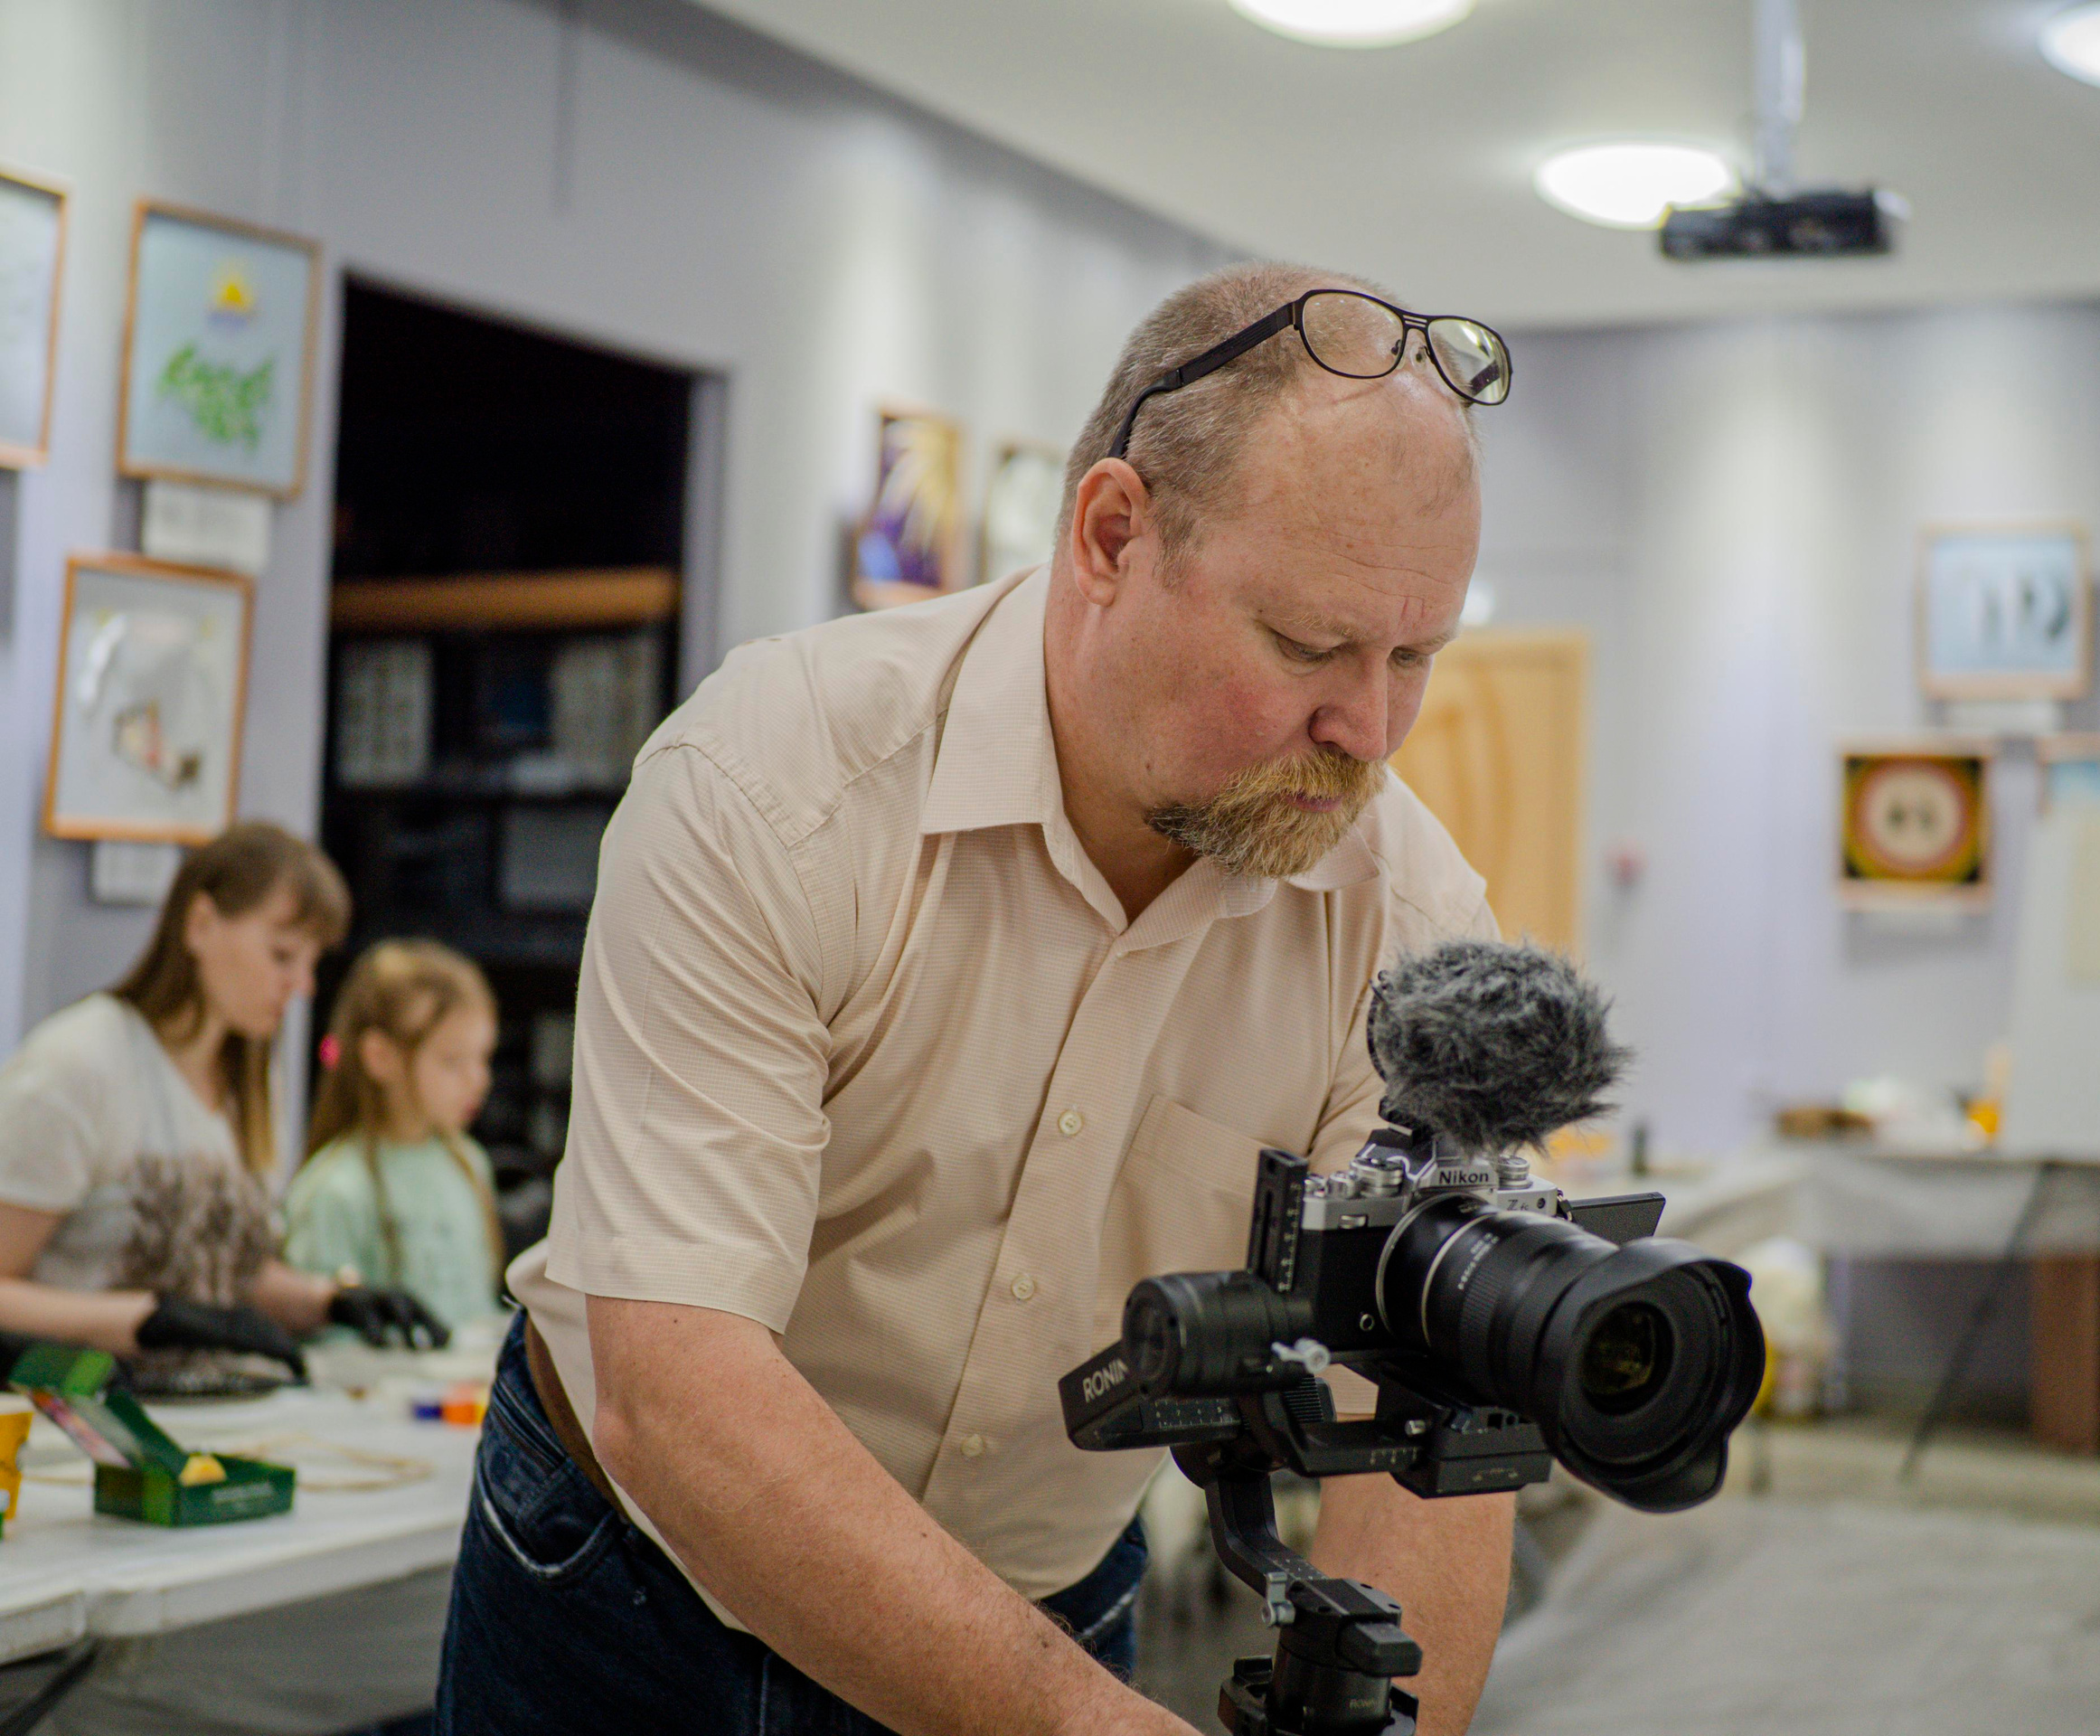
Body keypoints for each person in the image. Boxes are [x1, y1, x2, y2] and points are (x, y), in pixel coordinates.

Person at [438, 263, 1518, 1736]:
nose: (1366, 730)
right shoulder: (779, 780)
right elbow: (678, 1384)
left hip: (1038, 1590)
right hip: (629, 1582)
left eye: (1416, 659)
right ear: (1113, 535)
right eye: (1308, 645)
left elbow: (1430, 1423)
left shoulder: (1419, 929)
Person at [0, 823, 447, 1386]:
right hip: (95, 1417)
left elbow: (222, 1273)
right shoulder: (79, 1063)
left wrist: (328, 1300)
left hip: (219, 1406)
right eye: (282, 955)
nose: (302, 986)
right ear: (200, 923)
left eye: (312, 964)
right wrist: (145, 1319)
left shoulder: (251, 1079)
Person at [287, 939, 507, 1332]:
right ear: (380, 1057)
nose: (478, 1079)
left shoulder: (470, 1164)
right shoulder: (336, 1189)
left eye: (484, 1058)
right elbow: (330, 1345)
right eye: (453, 1061)